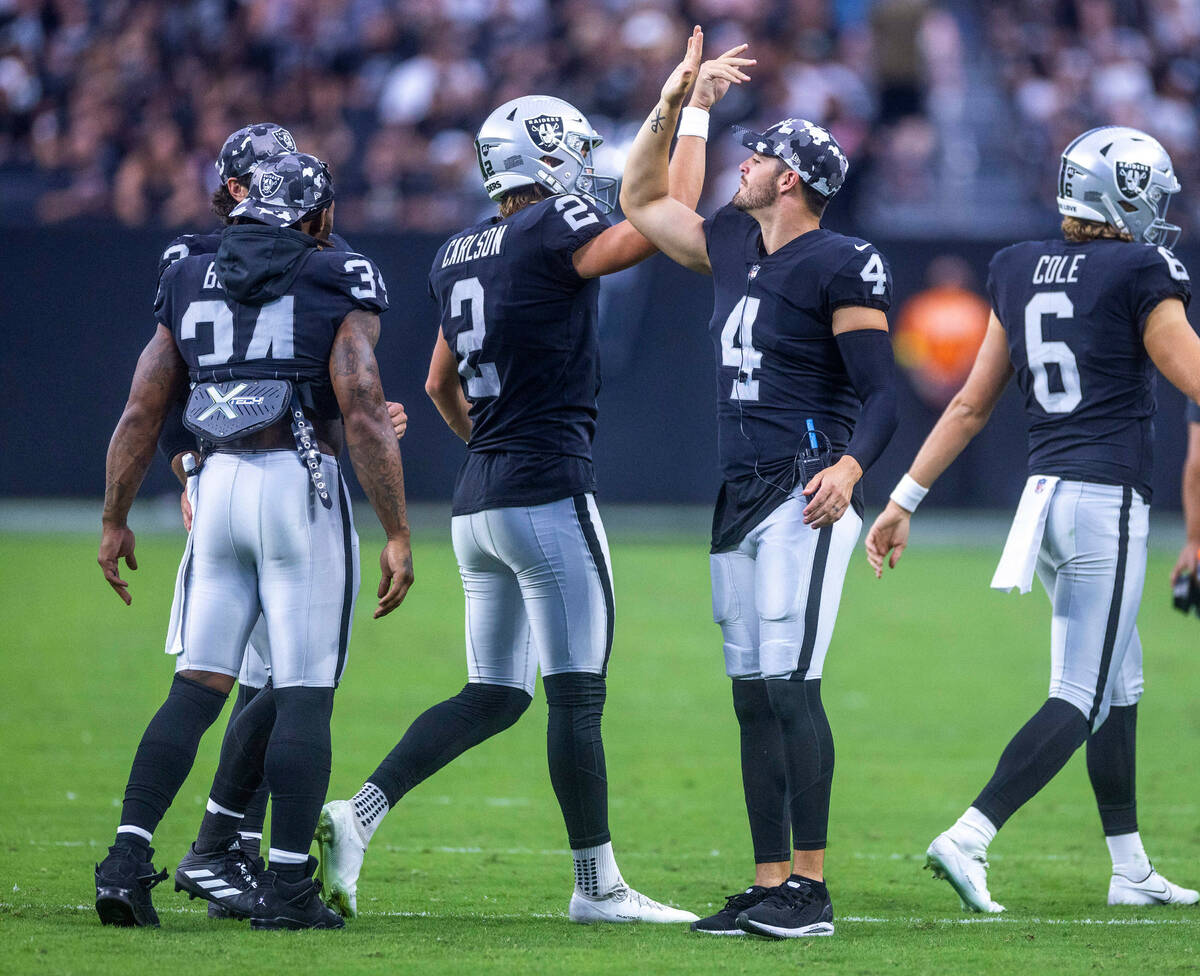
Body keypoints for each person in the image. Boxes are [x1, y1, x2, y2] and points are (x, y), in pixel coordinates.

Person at [315, 28, 747, 925]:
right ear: (545, 156)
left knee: (495, 692)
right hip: (545, 488)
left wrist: (491, 447)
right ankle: (597, 888)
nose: (587, 167)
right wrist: (694, 112)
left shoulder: (455, 252)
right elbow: (666, 221)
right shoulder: (556, 223)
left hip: (479, 500)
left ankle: (357, 816)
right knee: (576, 693)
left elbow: (437, 382)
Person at [865, 125, 1200, 911]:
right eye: (1148, 191)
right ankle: (970, 835)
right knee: (1080, 694)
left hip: (1044, 501)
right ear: (1118, 193)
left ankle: (1130, 869)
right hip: (1103, 501)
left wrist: (903, 498)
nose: (1158, 208)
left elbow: (972, 403)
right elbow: (1190, 372)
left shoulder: (1018, 266)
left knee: (1121, 683)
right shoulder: (1140, 268)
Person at [93, 151, 414, 930]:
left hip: (216, 484)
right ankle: (291, 886)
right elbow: (362, 402)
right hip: (294, 485)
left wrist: (114, 516)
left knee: (197, 686)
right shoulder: (337, 274)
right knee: (304, 688)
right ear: (315, 215)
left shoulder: (188, 272)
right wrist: (398, 529)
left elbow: (143, 408)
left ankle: (127, 860)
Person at [619, 73, 899, 937]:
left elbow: (883, 394)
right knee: (750, 694)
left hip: (804, 490)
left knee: (791, 687)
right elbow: (641, 197)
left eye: (760, 156)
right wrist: (684, 105)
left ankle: (808, 889)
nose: (743, 166)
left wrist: (851, 470)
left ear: (793, 178)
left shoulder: (839, 261)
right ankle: (768, 878)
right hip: (738, 493)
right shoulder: (737, 244)